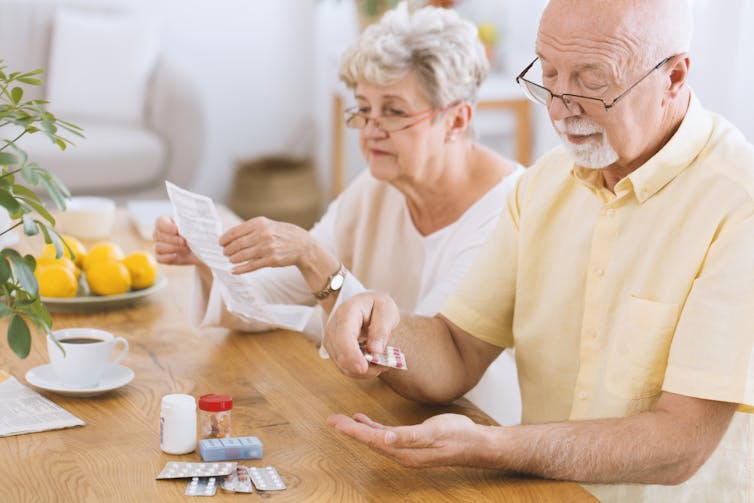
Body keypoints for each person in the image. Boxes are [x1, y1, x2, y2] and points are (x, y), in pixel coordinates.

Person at [323, 0, 754, 500]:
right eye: (548, 73)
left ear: (674, 77)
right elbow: (457, 349)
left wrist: (490, 445)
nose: (558, 107)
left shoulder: (739, 204)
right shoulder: (544, 184)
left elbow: (681, 441)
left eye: (593, 81)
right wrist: (381, 325)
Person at [153, 4, 523, 423]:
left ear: (456, 119)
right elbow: (272, 302)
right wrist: (209, 256)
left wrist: (315, 260)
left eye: (394, 111)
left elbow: (435, 372)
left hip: (471, 427)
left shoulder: (507, 209)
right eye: (364, 108)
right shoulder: (377, 186)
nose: (370, 129)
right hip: (380, 412)